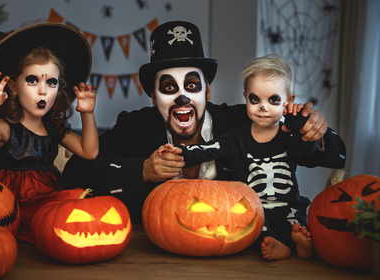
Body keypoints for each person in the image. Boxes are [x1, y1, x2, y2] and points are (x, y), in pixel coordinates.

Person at [63, 21, 346, 224]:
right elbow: (74, 175)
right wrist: (143, 171)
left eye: (192, 85)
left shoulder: (243, 122)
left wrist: (316, 133)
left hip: (239, 251)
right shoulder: (133, 128)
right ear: (153, 97)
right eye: (169, 87)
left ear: (207, 92)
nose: (183, 97)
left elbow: (334, 155)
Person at [159, 54, 333, 260]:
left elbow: (308, 148)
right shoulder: (235, 138)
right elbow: (208, 148)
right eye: (255, 99)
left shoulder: (290, 135)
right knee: (252, 229)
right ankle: (282, 247)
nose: (263, 106)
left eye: (274, 100)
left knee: (297, 222)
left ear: (289, 101)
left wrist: (300, 123)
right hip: (255, 208)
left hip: (289, 205)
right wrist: (180, 152)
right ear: (245, 98)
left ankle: (300, 244)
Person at [0, 23, 98, 243]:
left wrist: (87, 114)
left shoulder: (52, 127)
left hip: (46, 201)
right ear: (14, 87)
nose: (43, 90)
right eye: (32, 80)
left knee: (82, 198)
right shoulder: (3, 128)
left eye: (51, 82)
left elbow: (89, 151)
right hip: (8, 207)